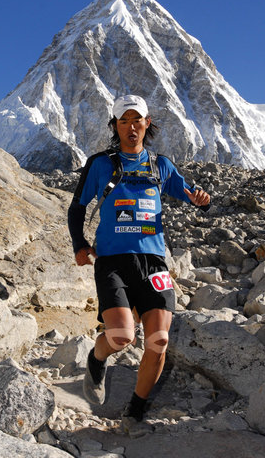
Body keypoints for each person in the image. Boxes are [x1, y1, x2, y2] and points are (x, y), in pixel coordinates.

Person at [67, 94, 210, 432]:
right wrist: (79, 244)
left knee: (158, 340)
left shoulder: (160, 165)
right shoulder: (101, 163)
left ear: (148, 123)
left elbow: (192, 196)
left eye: (137, 120)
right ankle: (96, 358)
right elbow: (77, 207)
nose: (131, 126)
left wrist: (202, 201)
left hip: (154, 262)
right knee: (120, 337)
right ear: (115, 126)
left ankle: (135, 409)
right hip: (113, 262)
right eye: (124, 120)